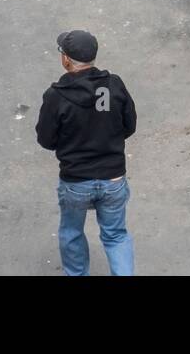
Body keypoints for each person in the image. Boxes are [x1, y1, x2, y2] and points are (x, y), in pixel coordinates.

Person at [36, 30, 138, 276]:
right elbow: (129, 125)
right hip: (113, 179)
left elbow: (46, 140)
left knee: (71, 232)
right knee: (115, 236)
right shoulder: (114, 84)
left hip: (76, 182)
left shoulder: (56, 96)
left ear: (67, 60)